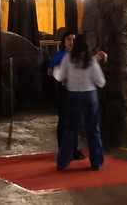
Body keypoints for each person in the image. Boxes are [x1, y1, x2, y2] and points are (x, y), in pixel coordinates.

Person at [53, 32, 106, 171]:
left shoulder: (68, 58)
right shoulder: (91, 60)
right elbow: (101, 82)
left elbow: (60, 76)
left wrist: (56, 71)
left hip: (73, 96)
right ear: (88, 45)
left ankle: (63, 162)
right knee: (93, 129)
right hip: (90, 96)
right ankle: (96, 163)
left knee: (70, 129)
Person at [47, 29, 84, 160]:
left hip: (76, 91)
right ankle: (63, 150)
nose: (71, 42)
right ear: (64, 41)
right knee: (63, 120)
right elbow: (49, 72)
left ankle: (73, 149)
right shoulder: (58, 56)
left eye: (73, 39)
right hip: (63, 90)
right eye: (68, 39)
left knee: (74, 120)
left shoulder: (79, 56)